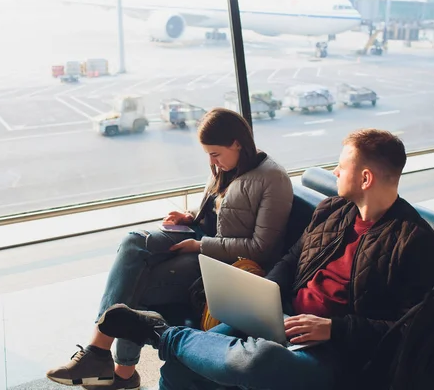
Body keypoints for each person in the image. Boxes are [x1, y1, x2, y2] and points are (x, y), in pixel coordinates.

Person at [94, 129, 434, 390]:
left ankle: (161, 333)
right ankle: (170, 338)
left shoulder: (413, 243)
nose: (335, 172)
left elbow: (407, 331)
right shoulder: (333, 210)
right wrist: (264, 293)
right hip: (282, 315)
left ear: (366, 178)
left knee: (258, 361)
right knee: (180, 368)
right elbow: (294, 258)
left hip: (338, 350)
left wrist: (333, 328)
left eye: (341, 167)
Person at [46, 108, 294, 389]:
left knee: (135, 283)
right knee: (133, 241)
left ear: (236, 143)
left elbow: (261, 248)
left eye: (215, 154)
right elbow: (220, 209)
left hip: (221, 260)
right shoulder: (228, 165)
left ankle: (117, 370)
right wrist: (190, 216)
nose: (211, 161)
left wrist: (200, 245)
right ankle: (101, 355)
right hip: (200, 237)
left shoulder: (272, 178)